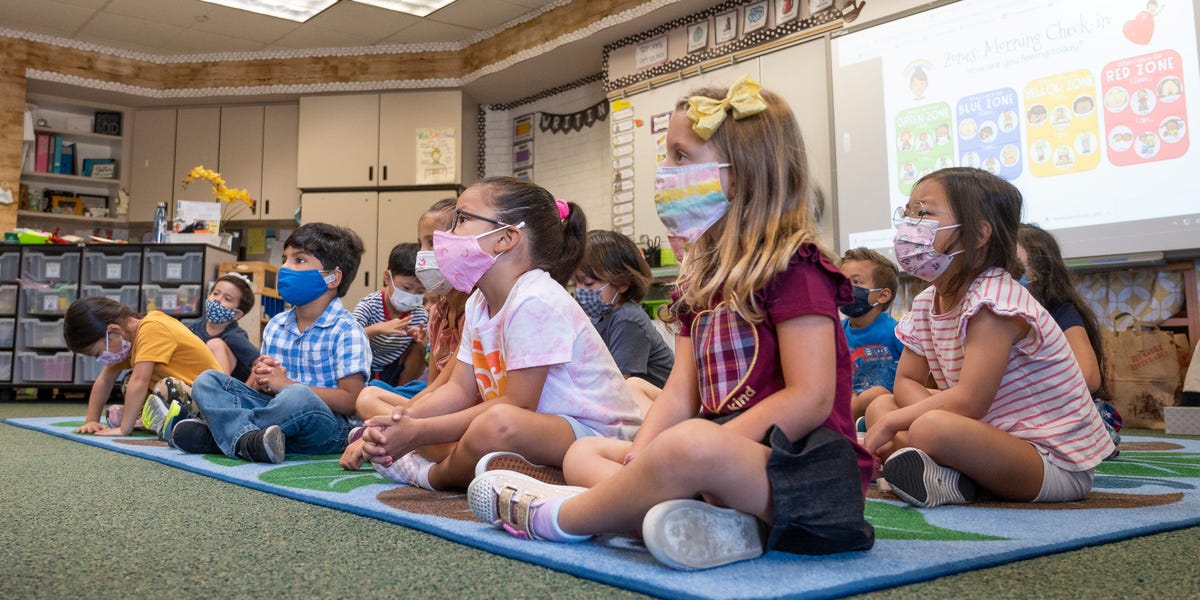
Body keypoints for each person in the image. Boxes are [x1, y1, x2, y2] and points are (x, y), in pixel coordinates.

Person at [467, 75, 874, 571]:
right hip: (715, 466)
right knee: (587, 454)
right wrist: (643, 454)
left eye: (680, 156)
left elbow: (808, 399)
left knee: (688, 445)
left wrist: (707, 447)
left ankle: (566, 516)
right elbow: (681, 392)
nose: (666, 171)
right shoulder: (699, 281)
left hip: (806, 479)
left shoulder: (796, 267)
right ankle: (700, 522)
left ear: (742, 173)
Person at [358, 177, 643, 491]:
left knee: (497, 422)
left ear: (505, 238)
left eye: (462, 219)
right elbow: (457, 390)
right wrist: (400, 422)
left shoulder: (535, 298)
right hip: (539, 430)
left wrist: (418, 432)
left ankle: (432, 476)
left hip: (597, 436)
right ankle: (515, 468)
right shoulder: (480, 302)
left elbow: (519, 404)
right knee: (458, 423)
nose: (446, 235)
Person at [862, 167, 1115, 509]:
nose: (910, 226)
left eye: (923, 213)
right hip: (983, 436)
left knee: (926, 427)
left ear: (978, 234)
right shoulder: (926, 302)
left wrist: (899, 423)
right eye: (908, 213)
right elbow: (906, 379)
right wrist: (893, 417)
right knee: (880, 406)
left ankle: (942, 472)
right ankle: (948, 478)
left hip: (1049, 462)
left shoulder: (994, 301)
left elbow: (970, 401)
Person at [170, 223, 372, 463]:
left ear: (332, 278)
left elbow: (351, 401)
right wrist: (262, 378)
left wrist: (286, 384)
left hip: (326, 427)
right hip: (275, 413)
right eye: (285, 259)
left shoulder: (347, 330)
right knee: (208, 381)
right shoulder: (276, 325)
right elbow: (262, 388)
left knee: (296, 396)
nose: (285, 268)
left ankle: (221, 436)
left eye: (299, 260)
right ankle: (252, 440)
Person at [340, 198, 471, 470]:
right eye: (422, 243)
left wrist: (381, 430)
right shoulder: (437, 313)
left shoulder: (475, 308)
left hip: (467, 411)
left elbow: (457, 391)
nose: (423, 253)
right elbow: (433, 385)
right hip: (437, 406)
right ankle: (410, 442)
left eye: (433, 243)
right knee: (367, 397)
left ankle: (411, 446)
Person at [1017, 223, 1121, 453]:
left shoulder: (1061, 312)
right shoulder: (998, 316)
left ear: (1035, 272)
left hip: (1062, 413)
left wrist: (1024, 392)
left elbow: (1089, 377)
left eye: (1008, 262)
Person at [63, 296, 221, 437]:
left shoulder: (151, 328)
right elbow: (105, 379)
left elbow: (140, 381)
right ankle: (149, 420)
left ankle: (174, 424)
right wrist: (91, 420)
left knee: (163, 386)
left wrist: (124, 428)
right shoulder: (127, 340)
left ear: (113, 331)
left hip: (213, 402)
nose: (102, 359)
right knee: (128, 381)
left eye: (98, 353)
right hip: (189, 397)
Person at [574, 229, 674, 389]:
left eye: (588, 284)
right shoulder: (598, 318)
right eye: (576, 283)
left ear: (622, 283)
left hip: (657, 404)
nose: (580, 290)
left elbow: (619, 387)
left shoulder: (627, 319)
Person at [838, 247, 903, 421]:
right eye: (842, 281)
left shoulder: (898, 332)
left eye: (856, 282)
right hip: (847, 405)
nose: (846, 287)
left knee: (876, 394)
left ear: (882, 295)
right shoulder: (835, 333)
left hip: (890, 409)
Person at [353, 242, 428, 389]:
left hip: (395, 369)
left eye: (420, 292)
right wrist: (378, 329)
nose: (411, 295)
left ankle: (401, 393)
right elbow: (349, 337)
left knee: (419, 348)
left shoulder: (420, 314)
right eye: (406, 288)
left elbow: (427, 353)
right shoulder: (369, 305)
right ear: (387, 277)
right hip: (365, 367)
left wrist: (421, 339)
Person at [185, 273, 259, 382]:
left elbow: (260, 363)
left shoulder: (235, 336)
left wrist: (247, 389)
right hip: (196, 382)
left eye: (227, 299)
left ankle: (221, 394)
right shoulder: (194, 327)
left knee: (215, 345)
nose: (217, 299)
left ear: (236, 314)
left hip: (229, 391)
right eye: (215, 293)